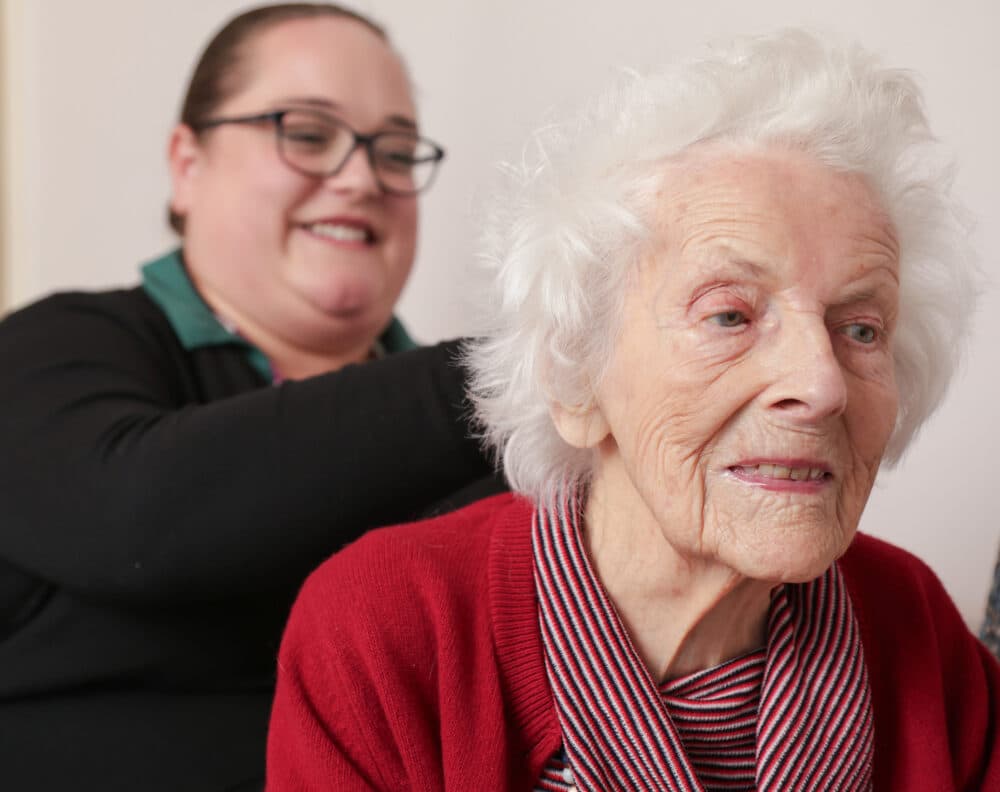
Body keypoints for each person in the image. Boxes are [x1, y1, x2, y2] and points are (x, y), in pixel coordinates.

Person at [267, 29, 1000, 791]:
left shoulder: (911, 621)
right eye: (730, 316)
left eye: (860, 328)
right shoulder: (389, 629)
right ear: (574, 380)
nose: (822, 384)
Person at [0, 4, 495, 791]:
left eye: (395, 151)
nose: (362, 177)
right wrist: (511, 372)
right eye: (306, 132)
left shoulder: (498, 448)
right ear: (186, 164)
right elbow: (138, 517)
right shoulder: (62, 347)